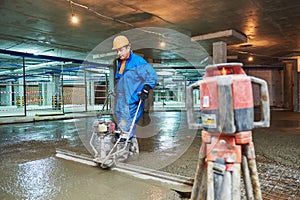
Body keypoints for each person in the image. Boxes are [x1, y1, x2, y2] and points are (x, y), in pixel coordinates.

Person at [112, 35, 158, 153]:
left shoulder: (138, 61)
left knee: (125, 126)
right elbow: (121, 80)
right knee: (119, 125)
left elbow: (151, 76)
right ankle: (132, 145)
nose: (119, 53)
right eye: (117, 51)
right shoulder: (120, 64)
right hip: (121, 100)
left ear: (128, 48)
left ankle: (122, 154)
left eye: (121, 50)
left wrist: (146, 89)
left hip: (133, 100)